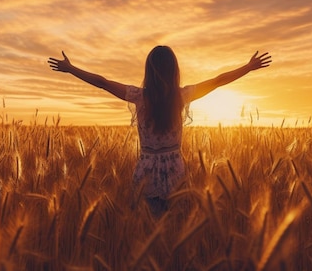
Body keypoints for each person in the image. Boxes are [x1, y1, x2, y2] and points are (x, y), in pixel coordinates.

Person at [48, 46, 271, 216]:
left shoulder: (138, 96)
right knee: (174, 230)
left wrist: (70, 69)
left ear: (149, 70)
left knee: (147, 232)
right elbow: (218, 81)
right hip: (175, 172)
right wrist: (248, 67)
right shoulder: (182, 96)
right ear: (174, 71)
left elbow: (102, 82)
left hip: (145, 172)